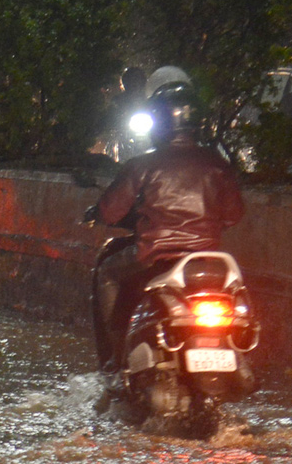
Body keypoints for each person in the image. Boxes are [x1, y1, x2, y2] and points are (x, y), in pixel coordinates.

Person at [87, 75, 245, 375]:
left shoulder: (143, 165)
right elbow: (233, 215)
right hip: (206, 265)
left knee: (107, 272)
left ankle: (114, 360)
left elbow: (109, 212)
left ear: (158, 122)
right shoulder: (217, 164)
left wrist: (97, 213)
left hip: (152, 258)